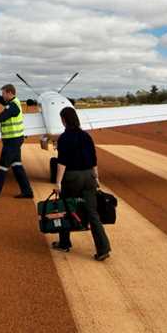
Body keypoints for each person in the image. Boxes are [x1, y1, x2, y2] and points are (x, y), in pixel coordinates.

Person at [52, 106, 111, 261]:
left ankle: (64, 243)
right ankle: (103, 248)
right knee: (93, 213)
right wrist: (96, 178)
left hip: (72, 178)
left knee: (66, 209)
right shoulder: (86, 136)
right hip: (89, 176)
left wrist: (58, 182)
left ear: (64, 120)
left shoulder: (64, 138)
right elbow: (94, 160)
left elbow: (62, 163)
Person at [0, 84, 34, 199]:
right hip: (15, 139)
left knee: (3, 166)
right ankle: (27, 192)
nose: (2, 95)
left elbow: (0, 118)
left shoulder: (13, 106)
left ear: (9, 93)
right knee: (17, 166)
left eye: (4, 93)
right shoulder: (12, 102)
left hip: (12, 141)